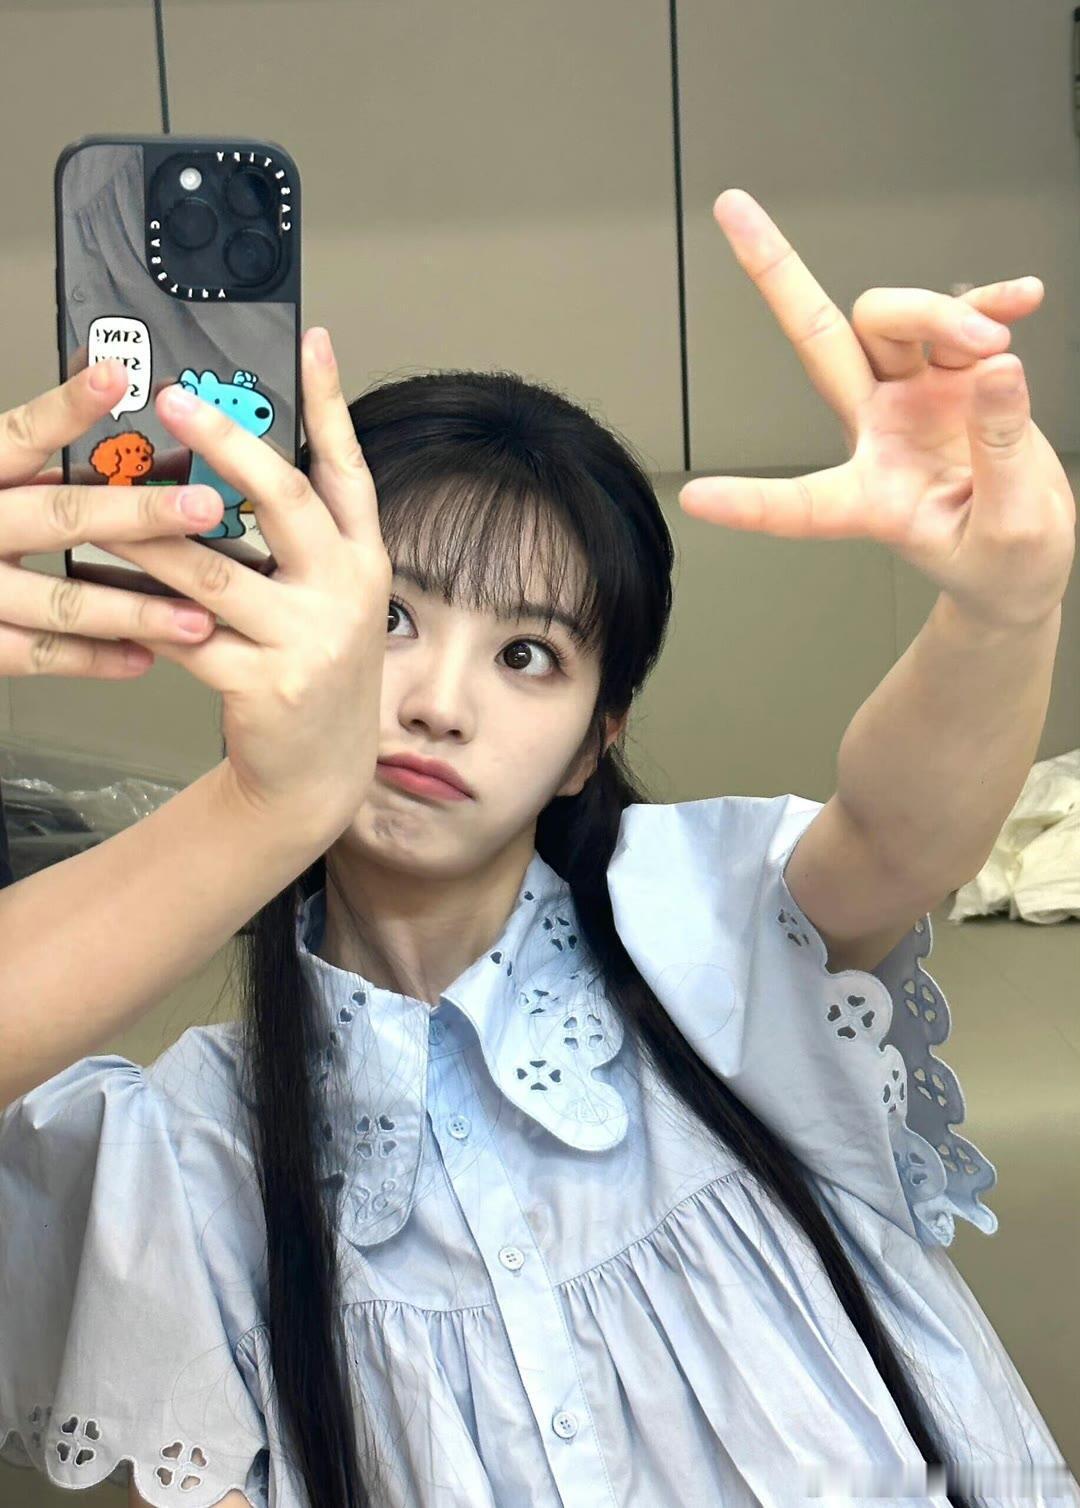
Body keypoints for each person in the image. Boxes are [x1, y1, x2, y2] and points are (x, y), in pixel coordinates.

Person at [1, 191, 1077, 1508]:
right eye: (389, 618)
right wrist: (259, 803)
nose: (439, 703)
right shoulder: (181, 1161)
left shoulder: (714, 931)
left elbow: (905, 831)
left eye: (526, 654)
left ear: (588, 745)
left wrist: (1003, 602)